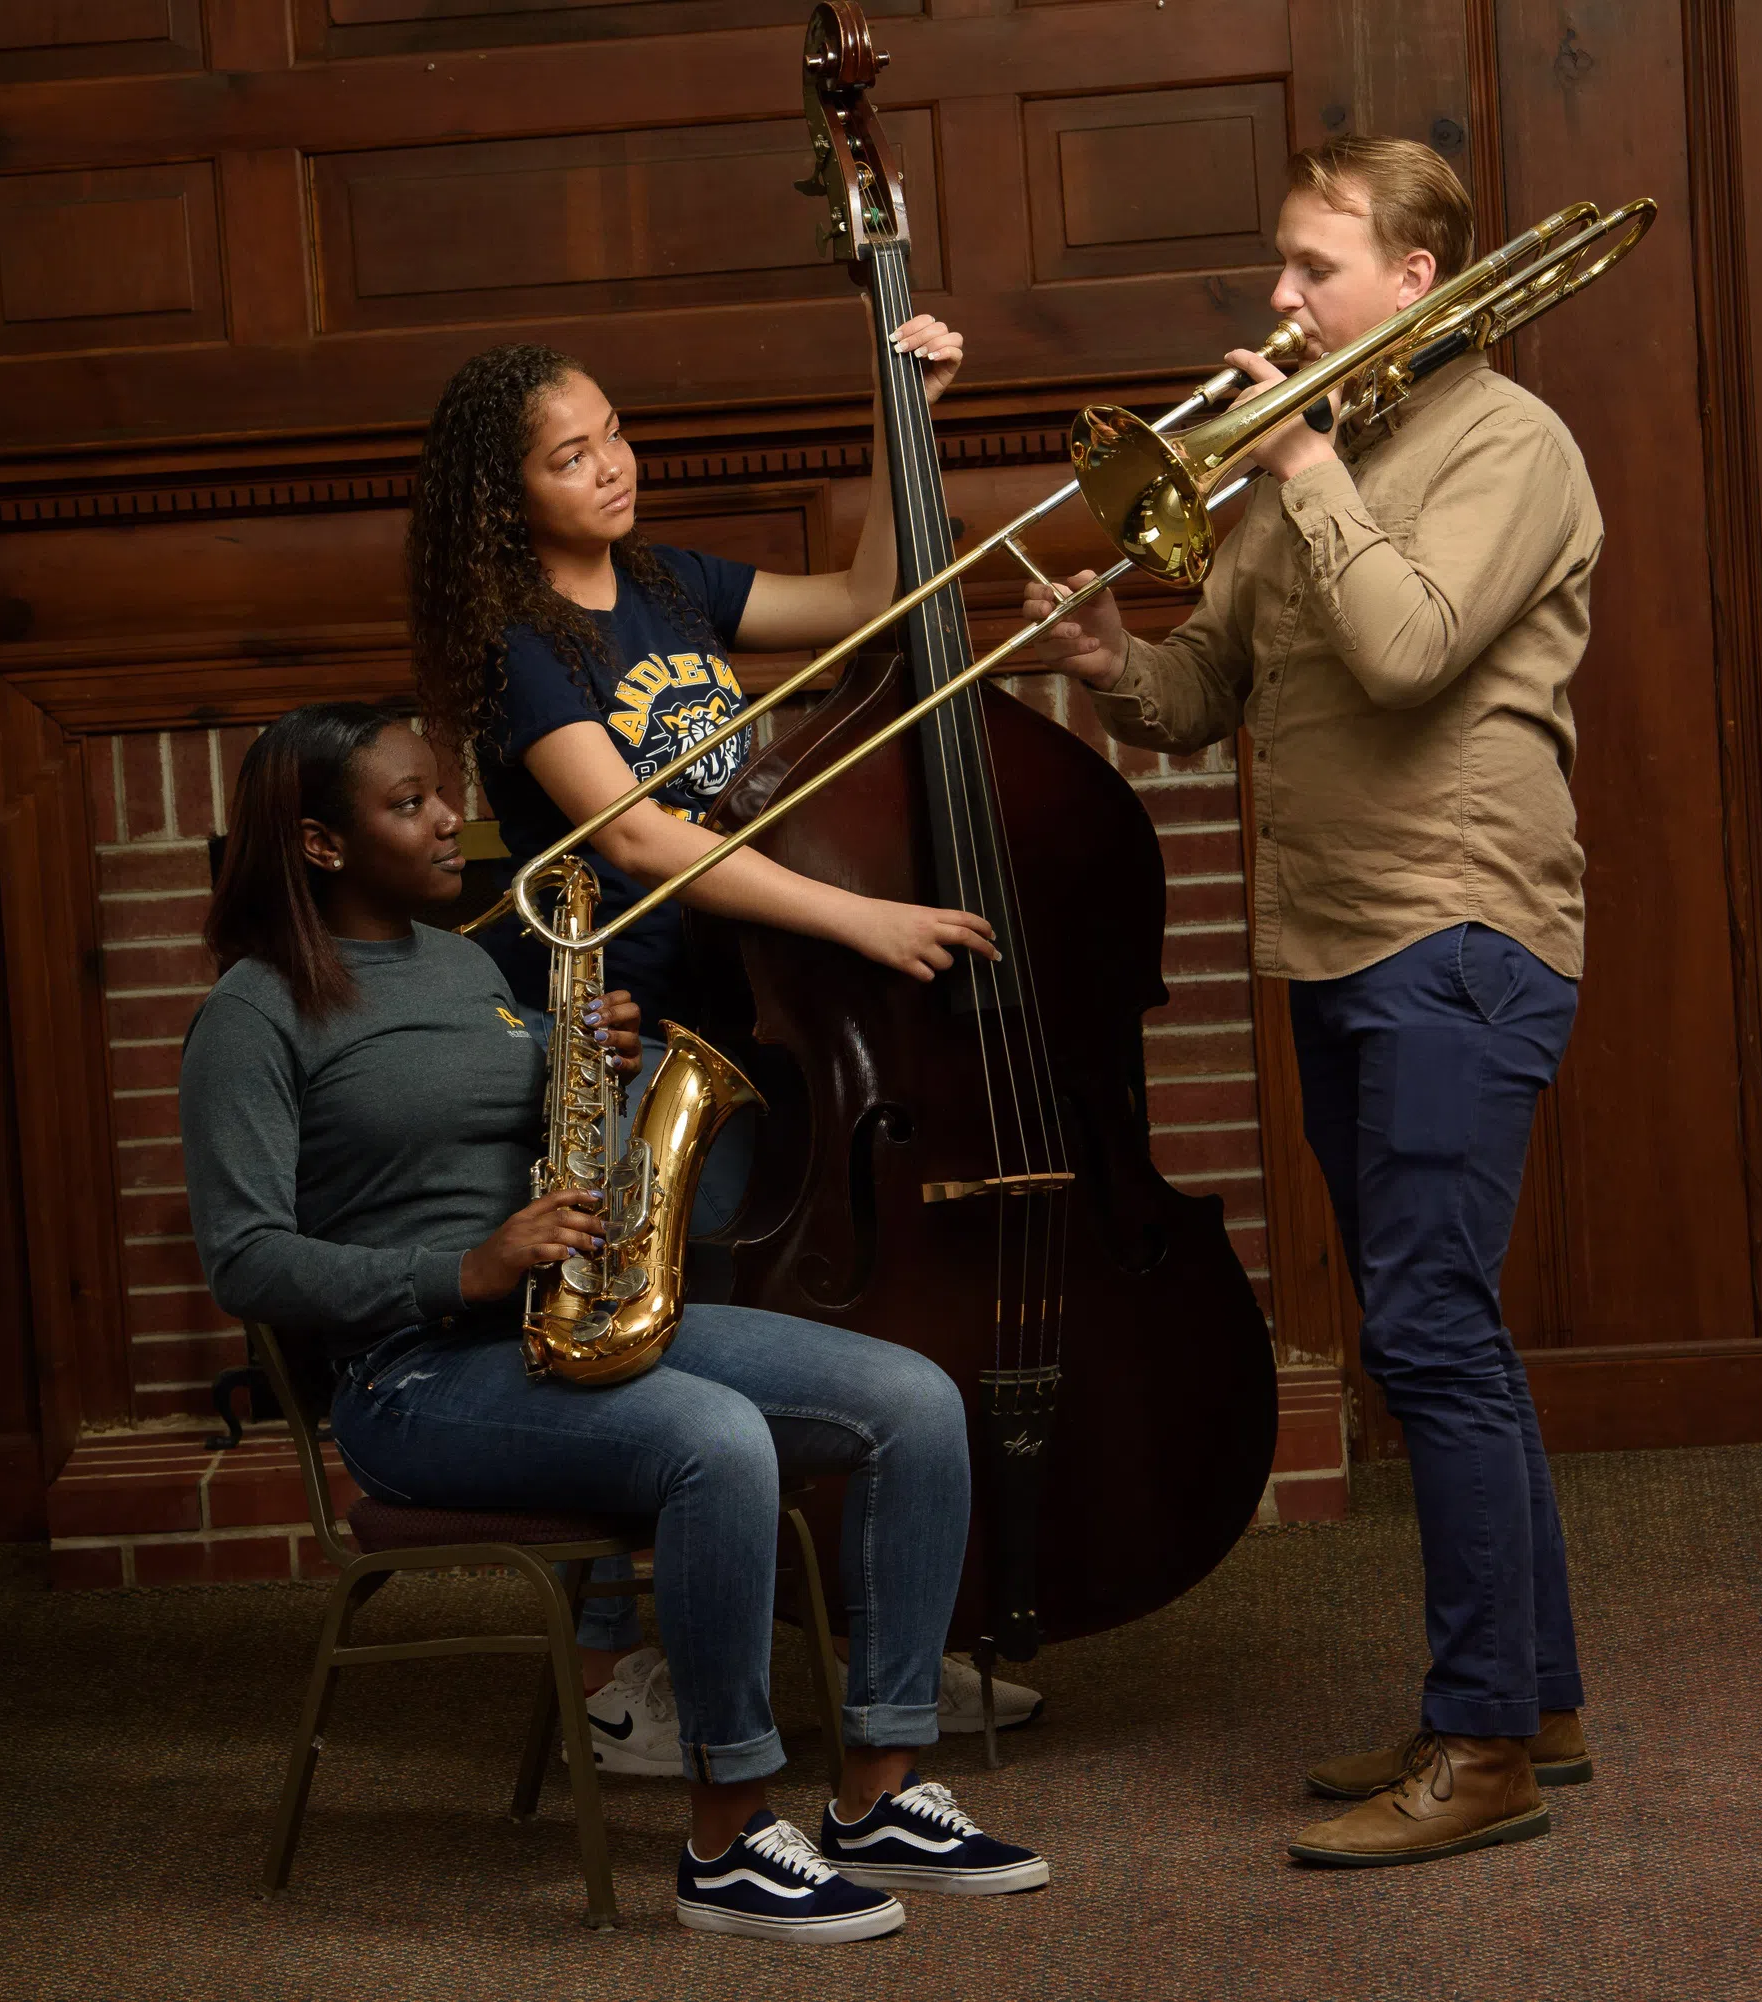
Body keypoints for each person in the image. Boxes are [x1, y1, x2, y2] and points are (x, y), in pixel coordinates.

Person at [180, 703, 1047, 1941]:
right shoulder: (253, 1015)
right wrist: (463, 1271)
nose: (449, 819)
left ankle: (882, 1788)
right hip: (416, 1378)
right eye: (411, 802)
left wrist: (608, 1055)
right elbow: (248, 1261)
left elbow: (550, 1118)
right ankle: (729, 1832)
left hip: (570, 1322)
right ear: (321, 845)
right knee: (715, 1440)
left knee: (911, 1399)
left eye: (442, 793)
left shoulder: (463, 963)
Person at [1024, 135, 1600, 1869]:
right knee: (1437, 1329)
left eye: (1309, 267)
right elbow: (1213, 689)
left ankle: (1486, 1741)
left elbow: (1412, 644)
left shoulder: (1512, 444)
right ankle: (1533, 1695)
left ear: (1414, 283)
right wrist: (1109, 657)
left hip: (1459, 933)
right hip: (1338, 941)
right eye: (1278, 267)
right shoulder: (1308, 462)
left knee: (1429, 1331)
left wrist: (1299, 465)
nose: (1277, 299)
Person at [405, 334, 1045, 1756]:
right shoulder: (517, 644)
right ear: (506, 498)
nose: (612, 463)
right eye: (571, 456)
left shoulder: (671, 584)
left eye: (615, 432)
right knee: (630, 1351)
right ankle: (615, 1678)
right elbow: (637, 833)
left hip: (731, 1027)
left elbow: (870, 600)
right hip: (615, 1042)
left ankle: (827, 1642)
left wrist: (899, 422)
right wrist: (864, 918)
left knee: (747, 1338)